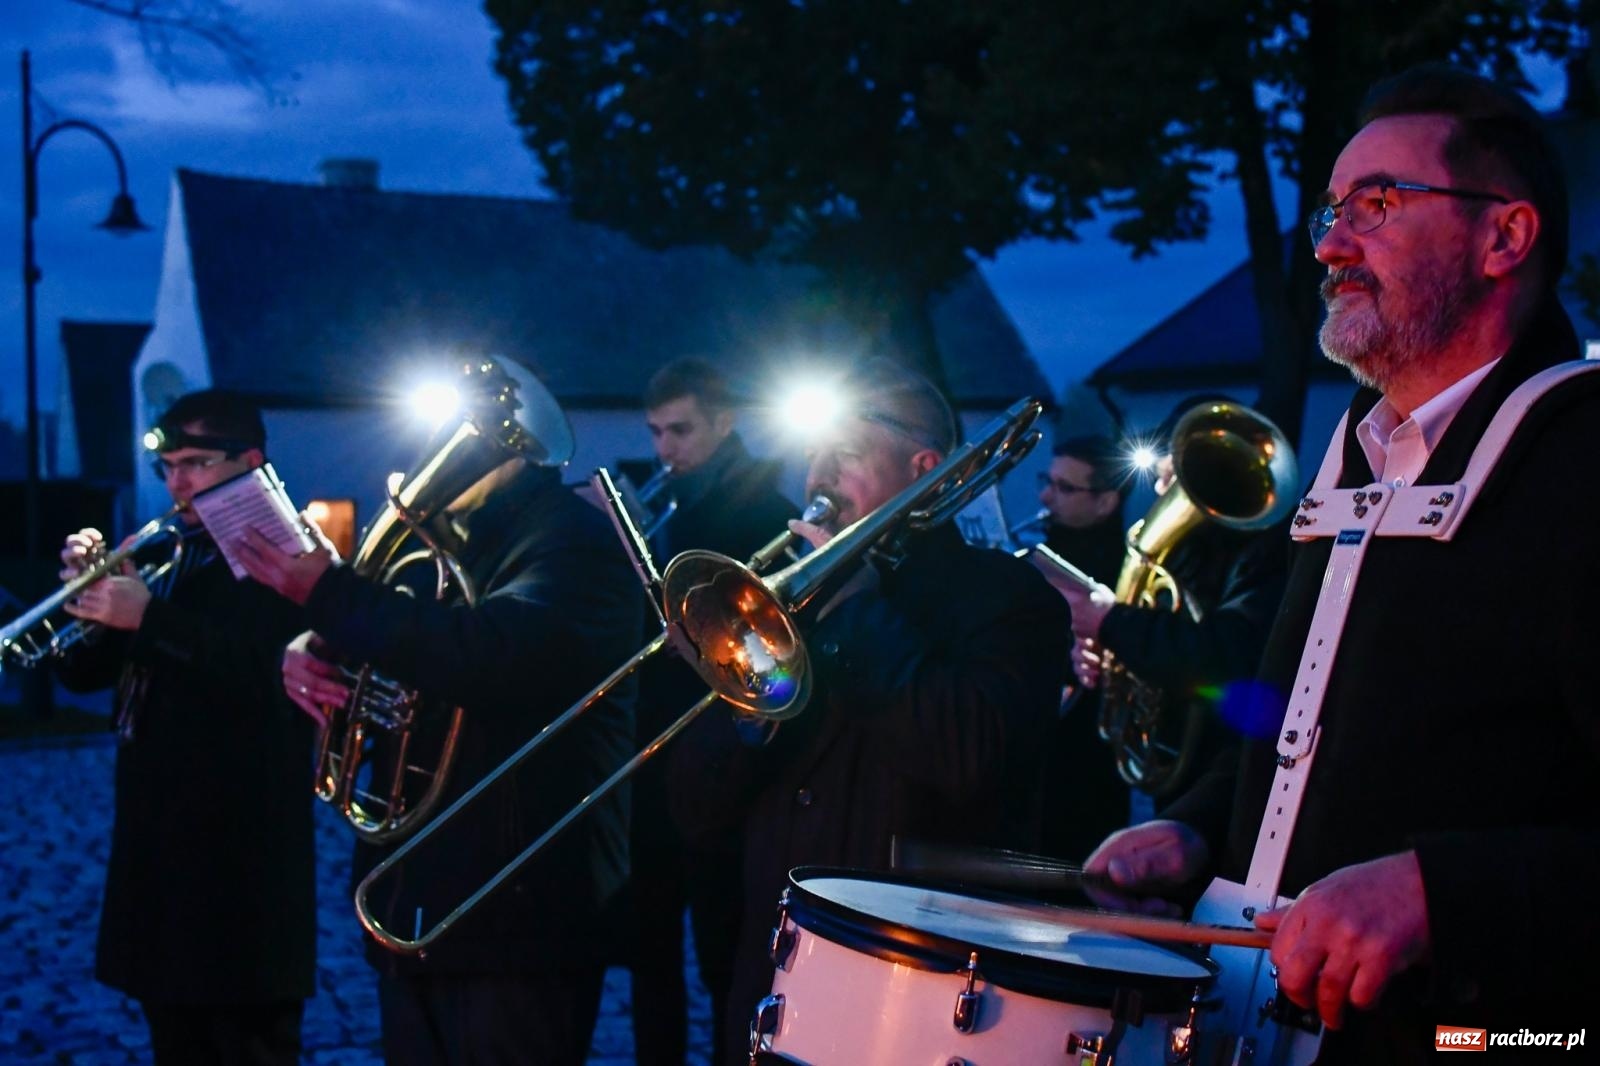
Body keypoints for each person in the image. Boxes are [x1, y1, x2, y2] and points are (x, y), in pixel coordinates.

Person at [1085, 65, 1597, 1062]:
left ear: (1505, 237)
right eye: (1329, 210)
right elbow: (1297, 727)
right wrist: (1199, 827)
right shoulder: (1354, 460)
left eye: (1377, 204)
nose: (1326, 243)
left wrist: (1438, 892)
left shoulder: (1578, 465)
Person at [667, 358, 1073, 1065]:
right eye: (813, 455)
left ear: (923, 466)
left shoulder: (1005, 596)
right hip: (773, 983)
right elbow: (695, 812)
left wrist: (855, 610)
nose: (817, 475)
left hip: (912, 992)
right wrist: (745, 706)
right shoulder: (782, 603)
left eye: (846, 453)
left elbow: (968, 756)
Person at [234, 391, 642, 1066]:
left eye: (460, 433)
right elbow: (403, 639)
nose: (434, 453)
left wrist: (333, 597)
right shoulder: (448, 539)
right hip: (421, 893)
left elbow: (495, 654)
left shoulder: (574, 540)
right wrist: (313, 647)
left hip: (519, 906)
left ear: (511, 449)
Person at [54, 390, 316, 1066]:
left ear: (250, 460)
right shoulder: (178, 552)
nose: (178, 483)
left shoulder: (288, 554)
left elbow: (268, 678)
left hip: (240, 868)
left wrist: (150, 618)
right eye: (168, 466)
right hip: (163, 863)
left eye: (197, 462)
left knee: (244, 1043)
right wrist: (97, 602)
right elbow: (85, 679)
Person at [620, 357, 796, 1066]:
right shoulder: (663, 502)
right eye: (657, 432)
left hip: (725, 762)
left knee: (727, 955)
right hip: (653, 760)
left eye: (681, 430)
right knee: (648, 953)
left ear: (725, 422)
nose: (666, 448)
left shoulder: (759, 510)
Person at [1056, 396, 1290, 801]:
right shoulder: (1185, 553)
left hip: (1230, 781)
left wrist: (1111, 622)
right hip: (1185, 776)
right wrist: (1107, 653)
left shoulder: (1265, 554)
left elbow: (1224, 658)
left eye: (1170, 475)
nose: (1162, 491)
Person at [1034, 434, 1128, 581]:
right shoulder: (1046, 540)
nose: (1044, 497)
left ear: (1105, 503)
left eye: (1065, 487)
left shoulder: (1115, 570)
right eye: (1048, 481)